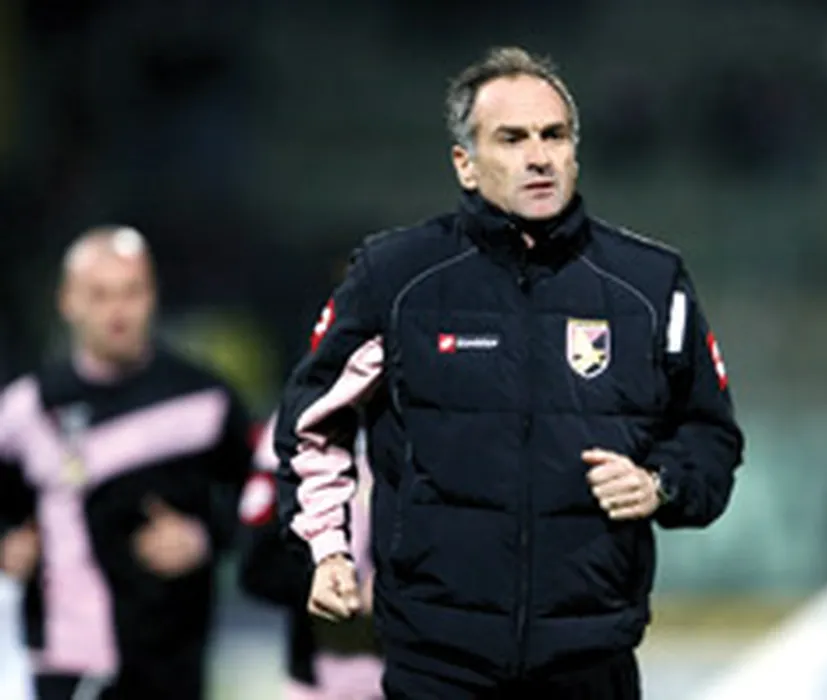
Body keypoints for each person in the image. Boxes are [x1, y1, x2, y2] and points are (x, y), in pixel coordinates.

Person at [273, 46, 745, 699]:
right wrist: (327, 548)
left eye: (555, 135)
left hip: (591, 660)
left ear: (576, 151)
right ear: (465, 164)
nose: (539, 156)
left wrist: (658, 483)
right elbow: (312, 423)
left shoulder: (649, 284)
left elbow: (710, 436)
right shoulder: (395, 278)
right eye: (512, 138)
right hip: (437, 663)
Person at [0, 225, 254, 699]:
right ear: (67, 301)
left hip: (171, 660)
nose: (117, 312)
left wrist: (205, 537)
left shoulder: (203, 400)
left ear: (152, 295)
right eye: (99, 295)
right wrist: (9, 544)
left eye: (131, 292)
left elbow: (263, 500)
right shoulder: (27, 408)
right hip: (63, 660)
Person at [238, 413, 383, 699]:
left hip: (429, 670)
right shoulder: (298, 420)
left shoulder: (434, 411)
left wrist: (401, 586)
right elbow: (257, 565)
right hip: (320, 673)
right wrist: (336, 582)